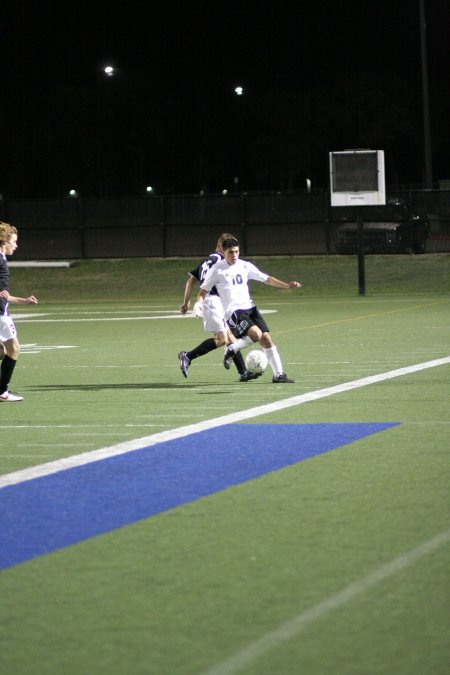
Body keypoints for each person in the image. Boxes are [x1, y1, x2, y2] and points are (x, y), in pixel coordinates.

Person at [198, 236, 301, 383]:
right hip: (234, 313)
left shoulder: (244, 266)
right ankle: (231, 349)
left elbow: (266, 278)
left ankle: (279, 375)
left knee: (266, 338)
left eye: (236, 252)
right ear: (224, 252)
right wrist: (198, 304)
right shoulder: (217, 269)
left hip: (250, 308)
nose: (234, 256)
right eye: (230, 253)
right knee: (256, 334)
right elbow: (202, 291)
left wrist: (286, 285)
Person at [178, 233, 259, 382]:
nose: (233, 254)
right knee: (222, 339)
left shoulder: (208, 260)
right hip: (213, 301)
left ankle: (243, 372)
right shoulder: (220, 261)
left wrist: (186, 302)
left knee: (230, 338)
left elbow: (191, 281)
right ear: (223, 247)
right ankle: (187, 356)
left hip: (214, 302)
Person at [0, 222, 38, 401]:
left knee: (1, 351)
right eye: (13, 242)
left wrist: (24, 301)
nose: (16, 245)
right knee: (14, 349)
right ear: (4, 241)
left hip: (2, 312)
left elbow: (4, 295)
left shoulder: (2, 259)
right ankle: (2, 392)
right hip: (0, 315)